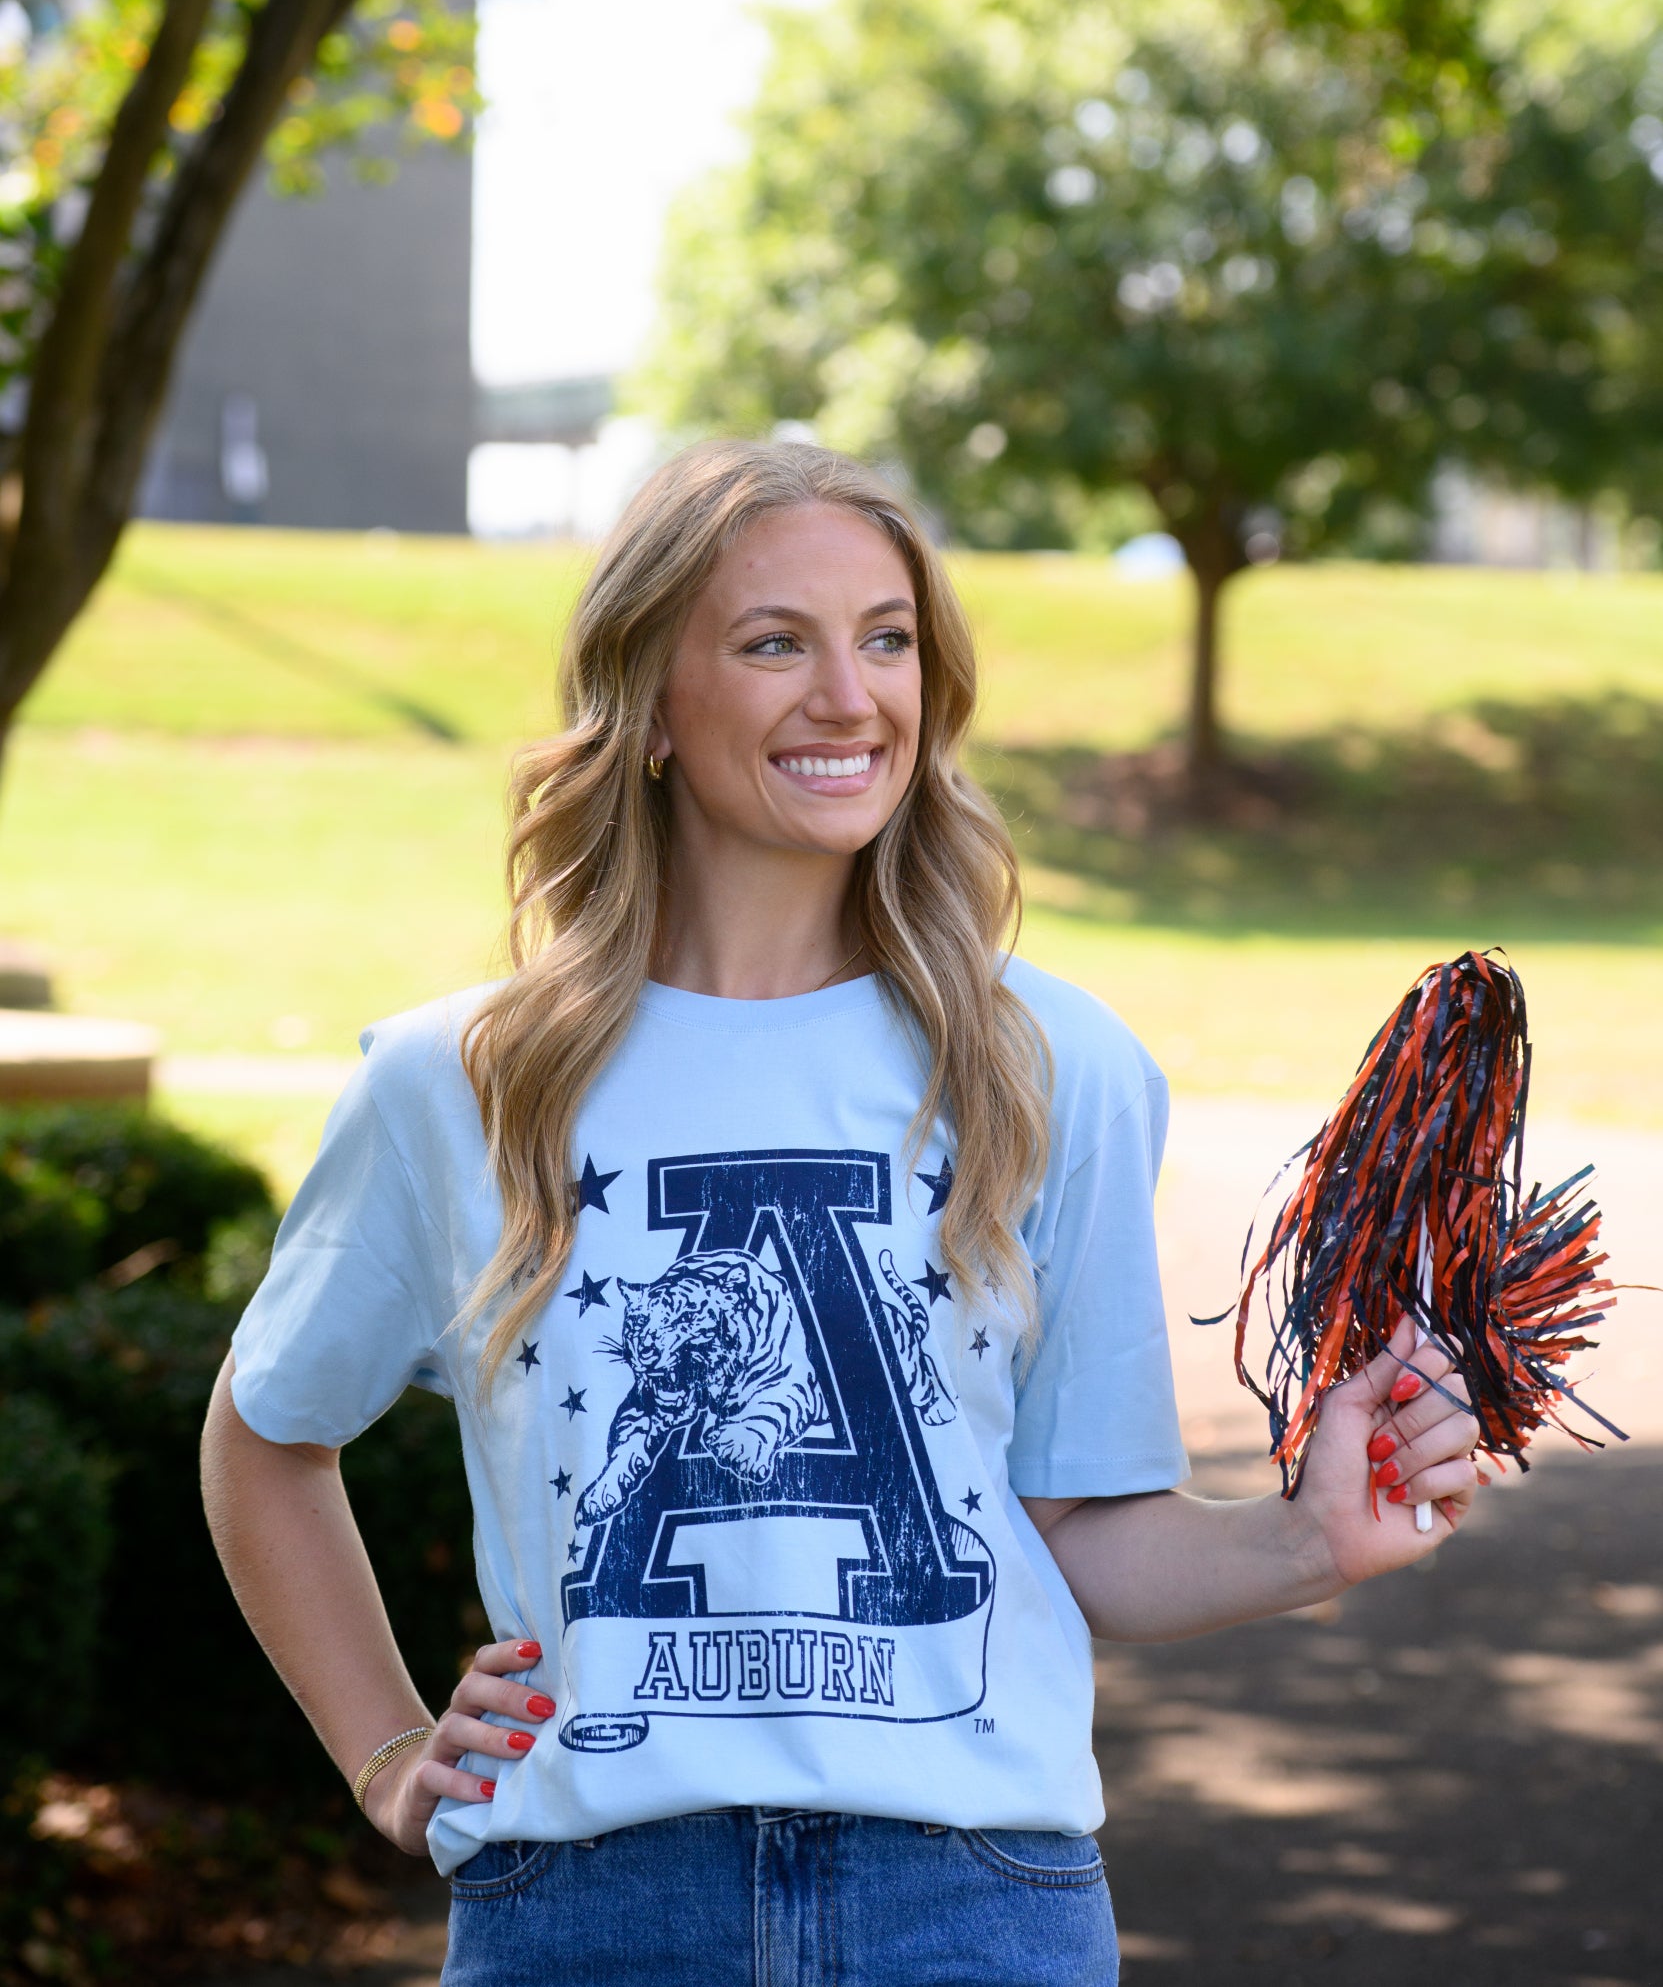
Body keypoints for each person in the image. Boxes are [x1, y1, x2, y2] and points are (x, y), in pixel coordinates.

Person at [202, 439, 1478, 1987]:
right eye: (771, 642)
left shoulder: (1049, 1066)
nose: (850, 696)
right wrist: (390, 1751)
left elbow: (1081, 1530)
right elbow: (266, 1436)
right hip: (587, 1914)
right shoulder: (457, 1083)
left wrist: (1310, 1544)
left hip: (975, 1909)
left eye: (886, 639)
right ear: (650, 703)